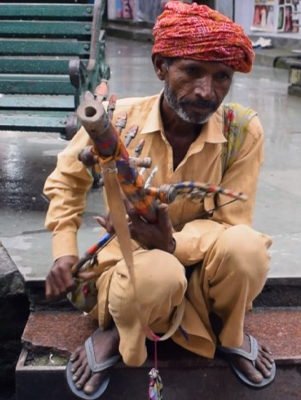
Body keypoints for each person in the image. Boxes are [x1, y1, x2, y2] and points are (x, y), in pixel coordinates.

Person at [44, 1, 276, 398]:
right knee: (159, 274)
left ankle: (228, 332)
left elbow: (233, 221)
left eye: (222, 77)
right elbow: (66, 181)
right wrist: (64, 250)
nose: (207, 91)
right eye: (191, 71)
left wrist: (170, 243)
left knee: (248, 249)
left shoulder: (242, 130)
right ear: (160, 67)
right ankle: (117, 332)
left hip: (205, 271)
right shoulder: (116, 119)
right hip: (135, 267)